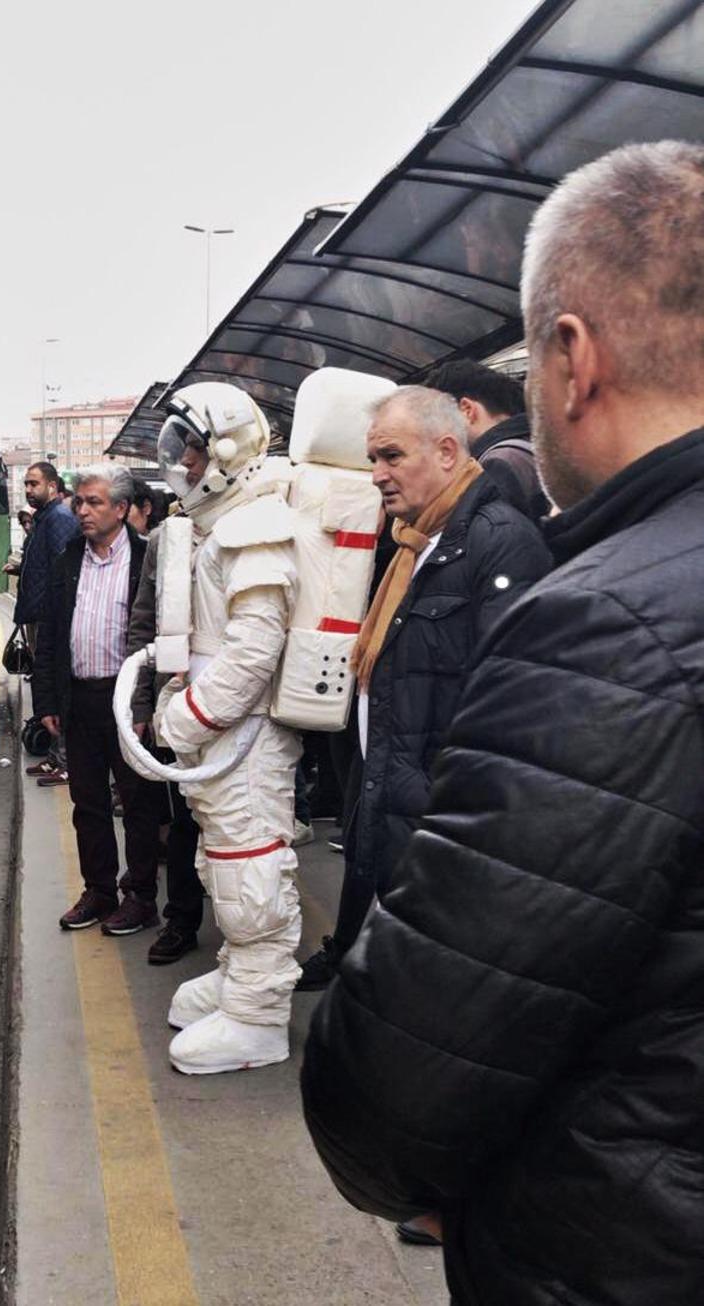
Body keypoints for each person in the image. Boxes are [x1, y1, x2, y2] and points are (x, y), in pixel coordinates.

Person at [302, 140, 704, 1306]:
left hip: (618, 1251)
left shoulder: (605, 622)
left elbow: (402, 1078)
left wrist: (411, 1168)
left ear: (574, 359)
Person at [296, 387, 550, 994]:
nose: (377, 475)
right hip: (393, 803)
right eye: (372, 459)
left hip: (441, 835)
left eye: (390, 456)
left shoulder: (500, 543)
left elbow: (513, 717)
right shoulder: (414, 544)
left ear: (445, 451)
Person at [151, 382, 302, 1076]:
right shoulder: (225, 521)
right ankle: (241, 976)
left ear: (226, 453)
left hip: (246, 734)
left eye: (188, 450)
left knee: (252, 867)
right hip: (223, 731)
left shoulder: (257, 525)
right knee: (225, 858)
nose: (179, 464)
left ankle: (259, 1016)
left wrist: (189, 716)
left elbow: (254, 648)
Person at [32, 464, 161, 936]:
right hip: (79, 699)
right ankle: (99, 890)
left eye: (94, 503)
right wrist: (46, 698)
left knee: (140, 802)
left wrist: (145, 706)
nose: (82, 511)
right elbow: (49, 636)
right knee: (88, 803)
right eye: (79, 502)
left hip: (127, 701)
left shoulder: (147, 560)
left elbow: (161, 637)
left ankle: (141, 896)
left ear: (122, 509)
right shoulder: (69, 558)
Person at [124, 516, 203, 965]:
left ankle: (248, 946)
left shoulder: (268, 519)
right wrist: (141, 705)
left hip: (248, 711)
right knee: (182, 821)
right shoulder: (167, 540)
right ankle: (182, 919)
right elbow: (143, 626)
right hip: (177, 703)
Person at [16, 462, 78, 785]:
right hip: (42, 614)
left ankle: (64, 760)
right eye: (26, 483)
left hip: (53, 617)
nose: (29, 489)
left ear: (53, 487)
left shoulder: (59, 520)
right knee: (47, 688)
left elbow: (62, 572)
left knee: (57, 687)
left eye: (34, 483)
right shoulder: (45, 519)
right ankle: (56, 757)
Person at [426, 359, 549, 521]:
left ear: (466, 410)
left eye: (435, 420)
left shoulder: (496, 464)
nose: (433, 435)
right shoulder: (537, 444)